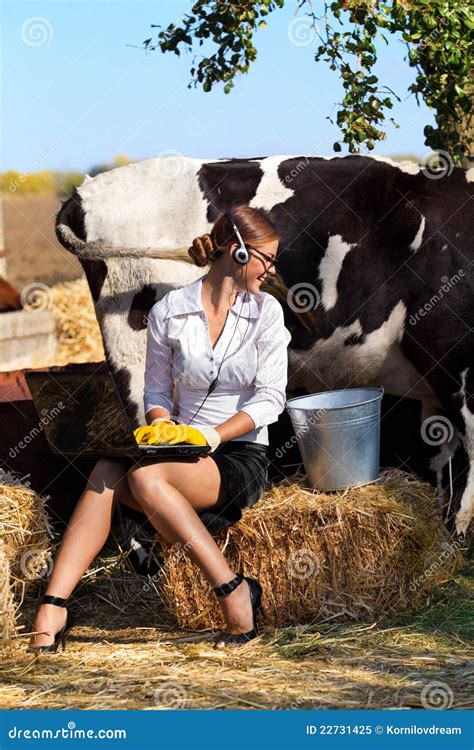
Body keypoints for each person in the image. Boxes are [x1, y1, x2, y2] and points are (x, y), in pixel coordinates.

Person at [26, 204, 292, 652]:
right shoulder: (170, 310)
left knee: (145, 477)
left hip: (236, 455)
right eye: (267, 258)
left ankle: (233, 592)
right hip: (181, 453)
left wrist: (211, 435)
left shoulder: (266, 314)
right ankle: (52, 608)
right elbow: (155, 394)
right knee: (109, 467)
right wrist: (163, 427)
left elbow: (271, 399)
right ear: (239, 254)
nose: (272, 270)